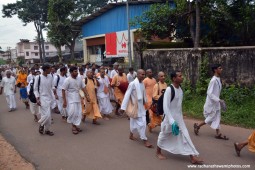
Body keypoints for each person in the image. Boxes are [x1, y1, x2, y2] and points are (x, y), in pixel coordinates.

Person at [156, 70, 203, 164]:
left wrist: (180, 118)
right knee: (164, 135)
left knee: (186, 135)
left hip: (179, 118)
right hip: (169, 119)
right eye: (180, 76)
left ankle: (192, 157)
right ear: (174, 78)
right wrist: (172, 121)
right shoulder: (169, 89)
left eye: (182, 75)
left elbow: (178, 107)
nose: (182, 77)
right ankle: (158, 152)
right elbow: (166, 107)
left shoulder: (180, 89)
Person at [193, 64, 228, 140]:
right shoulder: (213, 80)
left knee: (218, 117)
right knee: (211, 117)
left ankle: (218, 133)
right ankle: (198, 126)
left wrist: (219, 101)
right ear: (215, 70)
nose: (221, 69)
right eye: (220, 68)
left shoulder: (218, 79)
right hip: (212, 103)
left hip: (216, 102)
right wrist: (219, 100)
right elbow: (209, 93)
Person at [120, 69, 153, 148]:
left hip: (141, 107)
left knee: (135, 122)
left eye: (144, 74)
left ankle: (131, 134)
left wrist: (147, 104)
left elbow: (144, 94)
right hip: (135, 107)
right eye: (142, 74)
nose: (143, 76)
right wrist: (123, 107)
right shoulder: (132, 84)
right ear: (137, 75)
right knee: (142, 124)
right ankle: (145, 140)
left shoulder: (142, 84)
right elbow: (127, 95)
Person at [62, 66, 90, 134]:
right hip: (71, 98)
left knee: (78, 113)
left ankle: (75, 126)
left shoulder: (79, 78)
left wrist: (87, 95)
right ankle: (73, 126)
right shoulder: (67, 80)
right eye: (75, 71)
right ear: (71, 72)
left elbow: (83, 87)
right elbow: (63, 90)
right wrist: (64, 101)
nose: (77, 72)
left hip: (78, 97)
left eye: (77, 71)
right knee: (73, 113)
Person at [34, 64, 55, 136]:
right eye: (50, 69)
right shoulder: (38, 77)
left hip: (50, 98)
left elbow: (52, 87)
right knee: (47, 114)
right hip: (42, 98)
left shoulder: (50, 76)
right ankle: (42, 124)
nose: (51, 70)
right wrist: (37, 98)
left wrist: (54, 94)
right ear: (46, 70)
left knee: (48, 116)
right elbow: (35, 89)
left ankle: (47, 130)